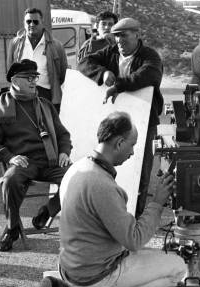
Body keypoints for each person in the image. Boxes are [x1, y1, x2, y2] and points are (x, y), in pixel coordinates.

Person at [40, 112, 187, 287]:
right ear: (119, 143)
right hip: (96, 274)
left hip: (70, 267)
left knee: (147, 256)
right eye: (132, 145)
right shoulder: (102, 185)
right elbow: (134, 240)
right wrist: (157, 202)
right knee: (179, 267)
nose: (133, 152)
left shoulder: (77, 168)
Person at [0, 59, 72, 252]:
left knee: (77, 178)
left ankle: (48, 210)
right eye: (28, 78)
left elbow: (63, 134)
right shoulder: (1, 108)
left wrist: (64, 151)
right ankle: (11, 227)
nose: (33, 81)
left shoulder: (45, 104)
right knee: (9, 180)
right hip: (24, 162)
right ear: (14, 80)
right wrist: (9, 156)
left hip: (51, 160)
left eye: (35, 77)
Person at [78, 18, 164, 218]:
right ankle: (109, 209)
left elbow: (150, 75)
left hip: (145, 120)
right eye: (116, 36)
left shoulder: (150, 56)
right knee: (109, 163)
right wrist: (102, 72)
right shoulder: (111, 52)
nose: (119, 41)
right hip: (115, 122)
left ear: (137, 35)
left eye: (124, 35)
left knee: (141, 167)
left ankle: (136, 215)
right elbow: (84, 62)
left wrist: (118, 85)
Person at [7, 8, 67, 111]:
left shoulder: (56, 45)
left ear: (42, 23)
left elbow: (62, 74)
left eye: (35, 21)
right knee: (25, 126)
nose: (32, 24)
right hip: (21, 94)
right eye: (28, 21)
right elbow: (10, 69)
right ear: (24, 23)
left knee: (47, 126)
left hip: (45, 95)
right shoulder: (15, 43)